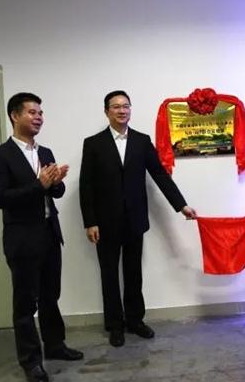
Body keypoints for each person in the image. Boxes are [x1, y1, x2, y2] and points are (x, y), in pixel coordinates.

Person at [79, 90, 196, 347]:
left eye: (126, 106)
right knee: (109, 275)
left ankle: (135, 320)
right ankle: (115, 325)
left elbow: (160, 175)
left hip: (135, 220)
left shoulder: (142, 141)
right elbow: (86, 185)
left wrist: (181, 205)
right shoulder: (93, 143)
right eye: (116, 106)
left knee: (133, 273)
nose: (122, 110)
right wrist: (90, 221)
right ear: (107, 111)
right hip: (105, 223)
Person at [0, 93, 83, 382]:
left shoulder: (45, 152)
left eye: (41, 113)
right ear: (15, 116)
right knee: (26, 304)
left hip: (50, 235)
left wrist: (56, 182)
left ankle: (55, 346)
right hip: (22, 239)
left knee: (51, 296)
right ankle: (30, 361)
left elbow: (56, 193)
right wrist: (39, 184)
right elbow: (2, 198)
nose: (39, 117)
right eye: (32, 112)